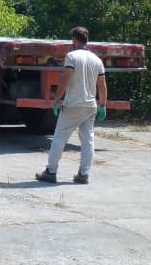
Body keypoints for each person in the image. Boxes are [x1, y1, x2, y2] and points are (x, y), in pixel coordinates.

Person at [36, 26, 108, 186]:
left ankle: (51, 172)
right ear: (86, 40)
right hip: (90, 106)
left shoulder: (72, 56)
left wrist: (57, 99)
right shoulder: (97, 60)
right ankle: (83, 174)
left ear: (75, 40)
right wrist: (103, 104)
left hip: (73, 105)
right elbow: (102, 86)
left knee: (59, 137)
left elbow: (66, 79)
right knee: (88, 139)